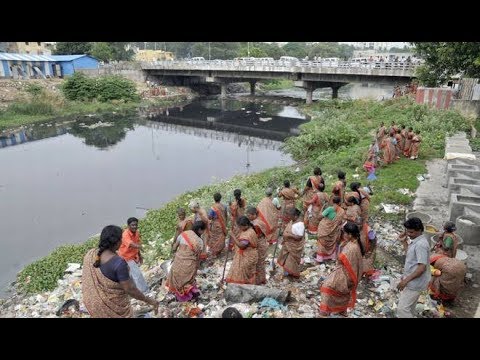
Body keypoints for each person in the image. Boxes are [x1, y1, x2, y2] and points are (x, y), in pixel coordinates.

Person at [82, 225, 159, 318]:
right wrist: (150, 300)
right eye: (121, 239)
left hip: (93, 305)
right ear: (117, 242)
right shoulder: (119, 263)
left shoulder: (90, 254)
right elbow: (130, 289)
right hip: (114, 307)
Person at [318, 221, 364, 317]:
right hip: (343, 271)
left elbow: (344, 260)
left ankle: (324, 311)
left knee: (327, 287)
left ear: (350, 235)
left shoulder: (352, 247)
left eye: (345, 233)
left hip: (345, 274)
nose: (344, 235)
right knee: (339, 292)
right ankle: (342, 310)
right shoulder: (352, 243)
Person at [396, 217, 431, 318]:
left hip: (415, 282)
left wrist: (405, 281)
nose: (408, 234)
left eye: (411, 232)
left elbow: (421, 268)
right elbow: (410, 255)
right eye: (407, 231)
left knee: (402, 310)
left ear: (419, 230)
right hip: (413, 280)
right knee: (410, 308)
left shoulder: (421, 245)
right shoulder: (416, 241)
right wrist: (403, 242)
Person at [166, 220, 207, 302]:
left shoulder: (184, 234)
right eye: (203, 230)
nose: (203, 233)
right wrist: (196, 268)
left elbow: (174, 248)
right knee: (187, 281)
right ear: (199, 230)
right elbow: (198, 258)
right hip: (189, 265)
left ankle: (182, 297)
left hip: (178, 263)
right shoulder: (200, 242)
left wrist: (177, 254)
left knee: (178, 279)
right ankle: (188, 296)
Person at [118, 217, 149, 293]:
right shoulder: (125, 234)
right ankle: (144, 291)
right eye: (132, 225)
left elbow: (137, 243)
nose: (134, 226)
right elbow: (131, 244)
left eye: (136, 225)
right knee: (137, 274)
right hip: (126, 257)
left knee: (132, 276)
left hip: (133, 256)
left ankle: (135, 291)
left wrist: (140, 255)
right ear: (128, 226)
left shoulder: (137, 233)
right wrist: (140, 247)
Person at [226, 216, 258, 285]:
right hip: (246, 255)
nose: (239, 228)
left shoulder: (249, 234)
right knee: (242, 273)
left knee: (243, 274)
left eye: (240, 227)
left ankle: (243, 286)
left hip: (248, 256)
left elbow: (241, 246)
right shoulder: (248, 230)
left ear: (246, 225)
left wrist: (233, 236)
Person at [276, 207, 305, 278]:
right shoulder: (292, 221)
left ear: (295, 216)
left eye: (290, 215)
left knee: (291, 261)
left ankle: (293, 274)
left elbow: (299, 237)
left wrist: (288, 235)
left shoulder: (300, 224)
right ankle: (287, 273)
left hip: (294, 247)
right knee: (285, 259)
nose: (288, 216)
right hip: (288, 245)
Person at [316, 196, 345, 263]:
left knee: (322, 243)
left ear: (332, 201)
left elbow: (319, 217)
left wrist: (322, 209)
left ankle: (320, 259)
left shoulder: (329, 209)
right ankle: (331, 257)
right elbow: (340, 221)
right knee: (332, 243)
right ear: (340, 202)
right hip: (334, 230)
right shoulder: (342, 211)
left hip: (324, 228)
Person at [246, 206, 268, 284]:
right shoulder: (260, 221)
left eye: (249, 215)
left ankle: (259, 280)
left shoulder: (256, 224)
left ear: (253, 215)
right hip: (262, 242)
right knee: (260, 262)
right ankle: (262, 279)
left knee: (258, 262)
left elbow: (255, 235)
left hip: (259, 243)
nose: (248, 217)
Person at [208, 192, 227, 257]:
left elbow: (210, 217)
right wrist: (225, 223)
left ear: (214, 199)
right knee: (221, 237)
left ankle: (215, 252)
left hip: (216, 224)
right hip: (223, 223)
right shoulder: (224, 206)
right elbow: (225, 215)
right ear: (220, 198)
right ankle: (220, 250)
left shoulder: (213, 207)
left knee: (215, 238)